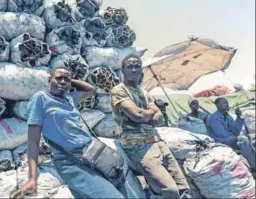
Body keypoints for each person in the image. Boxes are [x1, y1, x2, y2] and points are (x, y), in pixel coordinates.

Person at [11, 66, 143, 199]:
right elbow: (33, 142)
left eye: (66, 80)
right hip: (71, 161)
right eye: (58, 78)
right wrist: (32, 178)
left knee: (130, 190)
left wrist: (69, 81)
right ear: (49, 79)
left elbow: (90, 90)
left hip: (95, 152)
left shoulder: (69, 98)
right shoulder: (40, 99)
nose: (62, 81)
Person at [110, 54, 190, 199]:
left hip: (157, 142)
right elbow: (137, 115)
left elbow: (159, 119)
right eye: (129, 66)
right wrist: (148, 113)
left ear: (141, 70)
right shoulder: (119, 90)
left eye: (137, 66)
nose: (134, 70)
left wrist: (144, 114)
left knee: (182, 187)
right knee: (169, 190)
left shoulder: (145, 93)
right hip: (139, 146)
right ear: (122, 70)